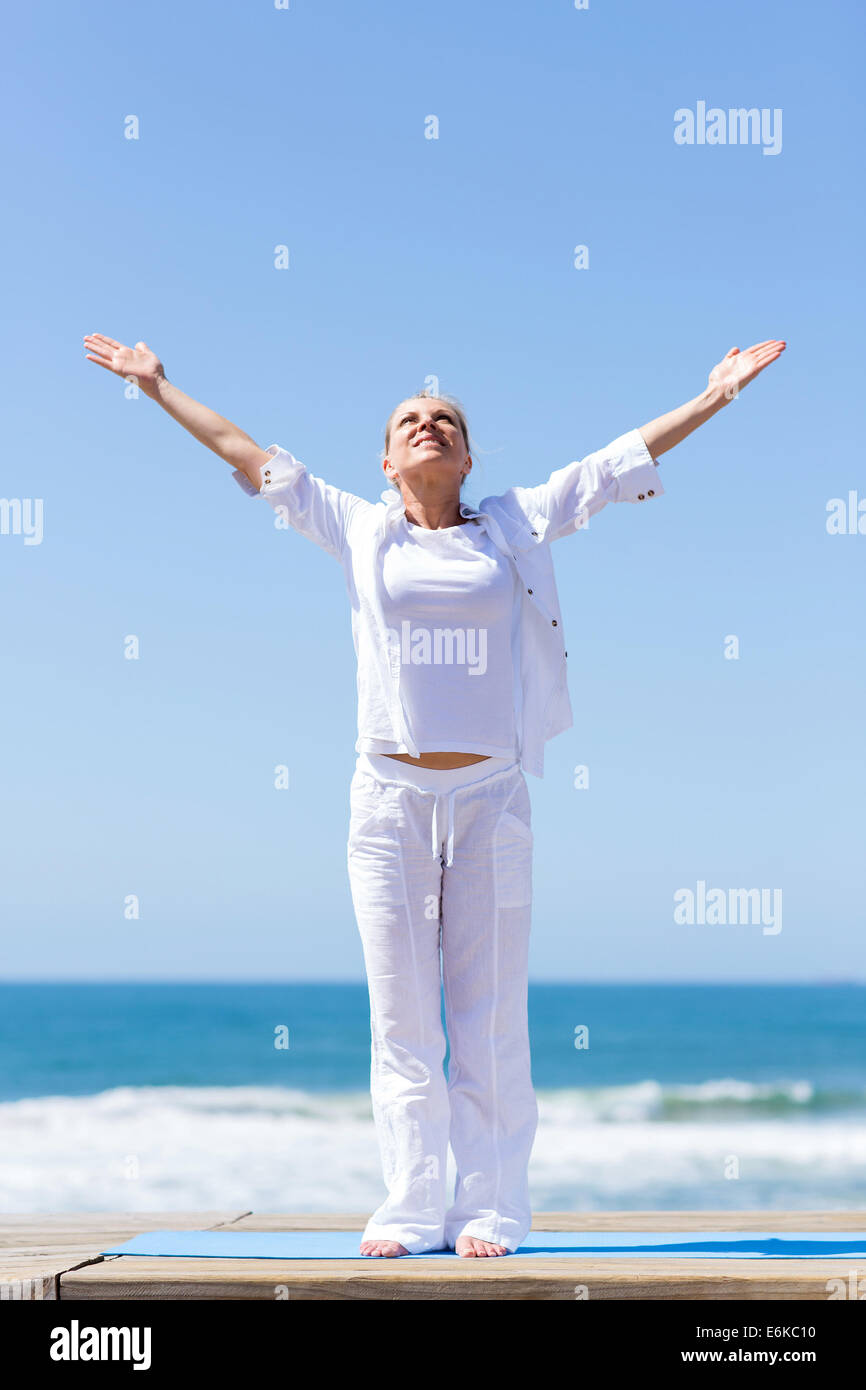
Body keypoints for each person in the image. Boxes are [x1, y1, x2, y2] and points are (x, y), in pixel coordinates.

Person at [83, 332, 786, 1256]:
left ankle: (490, 1206)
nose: (429, 425)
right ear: (385, 459)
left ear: (466, 456)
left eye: (445, 420)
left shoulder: (514, 523)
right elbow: (246, 456)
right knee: (403, 1017)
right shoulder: (355, 525)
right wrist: (158, 387)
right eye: (411, 420)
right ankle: (413, 1205)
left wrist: (718, 395)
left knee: (490, 1017)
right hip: (387, 802)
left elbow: (618, 465)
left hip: (492, 799)